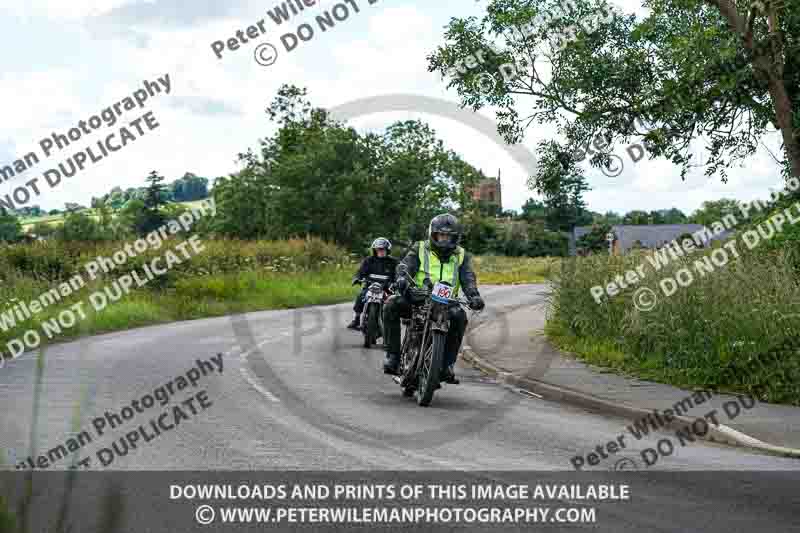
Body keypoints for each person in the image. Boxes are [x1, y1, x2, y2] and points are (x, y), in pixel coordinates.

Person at [382, 213, 485, 383]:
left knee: (460, 317)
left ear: (455, 238)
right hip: (419, 297)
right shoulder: (420, 248)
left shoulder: (461, 255)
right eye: (441, 235)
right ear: (433, 234)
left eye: (449, 236)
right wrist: (402, 278)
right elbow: (406, 265)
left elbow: (468, 278)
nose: (444, 240)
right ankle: (393, 355)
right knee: (391, 304)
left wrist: (474, 296)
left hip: (446, 303)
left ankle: (447, 365)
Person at [347, 238, 399, 330]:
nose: (381, 251)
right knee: (360, 297)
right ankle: (357, 319)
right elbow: (360, 272)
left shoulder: (393, 262)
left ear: (388, 250)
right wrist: (357, 279)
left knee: (392, 303)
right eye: (378, 249)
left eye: (383, 249)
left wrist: (396, 282)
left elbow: (398, 274)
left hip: (386, 288)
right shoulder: (369, 260)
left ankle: (389, 325)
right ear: (375, 250)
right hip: (370, 287)